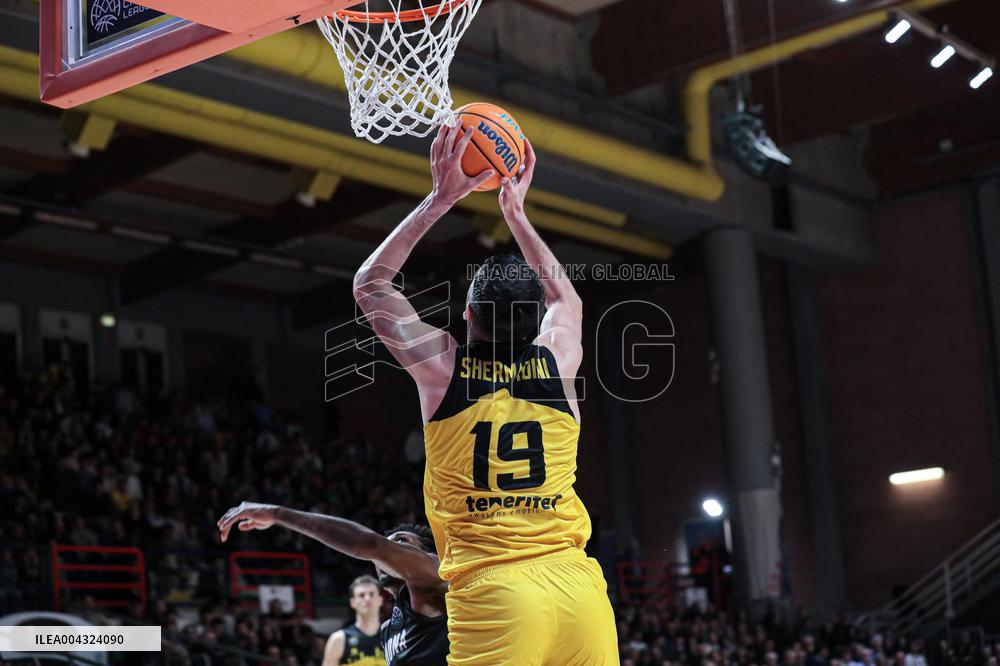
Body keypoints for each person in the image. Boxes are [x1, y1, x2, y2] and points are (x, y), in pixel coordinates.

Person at [352, 124, 618, 665]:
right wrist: (517, 214)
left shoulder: (443, 373)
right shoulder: (560, 362)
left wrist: (441, 197)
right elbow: (567, 300)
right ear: (534, 321)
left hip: (496, 592)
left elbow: (370, 286)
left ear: (467, 316)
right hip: (579, 590)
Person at [218, 502, 449, 665]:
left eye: (401, 541)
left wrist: (277, 514)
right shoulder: (389, 627)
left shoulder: (433, 572)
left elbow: (370, 545)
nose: (383, 558)